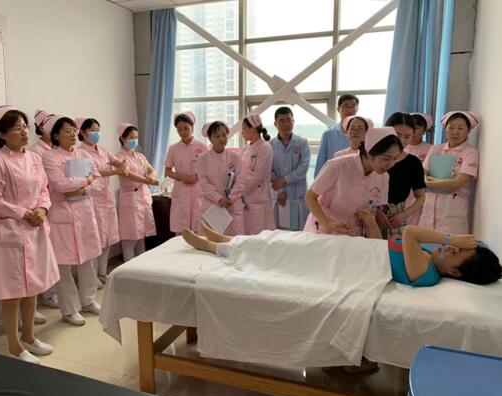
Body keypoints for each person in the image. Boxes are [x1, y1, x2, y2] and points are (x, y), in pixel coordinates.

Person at [182, 221, 501, 288]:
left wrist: (450, 236)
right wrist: (370, 224)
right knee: (281, 238)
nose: (451, 247)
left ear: (456, 272)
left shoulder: (427, 274)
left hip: (338, 261)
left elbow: (409, 233)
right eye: (456, 245)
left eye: (457, 253)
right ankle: (228, 238)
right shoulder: (430, 255)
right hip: (348, 249)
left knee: (280, 250)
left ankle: (214, 248)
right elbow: (387, 246)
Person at [0, 106, 59, 363]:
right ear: (2, 134)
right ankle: (14, 347)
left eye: (25, 126)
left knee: (32, 288)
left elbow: (44, 189)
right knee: (13, 292)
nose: (24, 132)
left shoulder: (34, 158)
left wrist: (42, 209)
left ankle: (29, 337)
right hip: (12, 233)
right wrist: (24, 213)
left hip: (35, 229)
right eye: (17, 128)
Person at [41, 115, 103, 326]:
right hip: (62, 216)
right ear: (56, 135)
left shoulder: (83, 154)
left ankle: (89, 301)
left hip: (84, 212)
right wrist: (85, 181)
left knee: (87, 261)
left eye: (74, 130)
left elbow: (98, 181)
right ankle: (69, 310)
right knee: (64, 265)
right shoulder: (50, 157)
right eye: (67, 131)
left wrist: (81, 188)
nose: (73, 134)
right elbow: (60, 185)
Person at [304, 127, 401, 236]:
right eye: (386, 159)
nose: (391, 164)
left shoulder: (383, 177)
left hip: (353, 232)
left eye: (395, 159)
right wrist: (327, 223)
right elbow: (310, 197)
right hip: (324, 229)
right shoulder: (338, 166)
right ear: (370, 154)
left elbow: (374, 207)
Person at [77, 117, 125, 282]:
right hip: (93, 199)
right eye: (92, 130)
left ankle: (102, 273)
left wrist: (122, 164)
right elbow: (92, 174)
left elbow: (117, 162)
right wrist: (114, 171)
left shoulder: (103, 151)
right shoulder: (81, 153)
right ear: (82, 132)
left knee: (108, 238)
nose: (96, 133)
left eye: (98, 130)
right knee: (95, 240)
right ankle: (93, 277)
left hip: (107, 198)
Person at [419, 111, 480, 234]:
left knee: (451, 243)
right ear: (445, 128)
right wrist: (440, 182)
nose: (455, 132)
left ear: (468, 130)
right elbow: (421, 175)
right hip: (429, 206)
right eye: (451, 127)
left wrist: (427, 182)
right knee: (425, 242)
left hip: (453, 208)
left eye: (460, 128)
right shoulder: (436, 149)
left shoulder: (470, 153)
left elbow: (455, 184)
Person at [28, 109, 58, 314]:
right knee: (37, 256)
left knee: (50, 253)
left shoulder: (57, 149)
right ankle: (43, 296)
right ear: (41, 128)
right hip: (39, 209)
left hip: (50, 205)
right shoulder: (35, 152)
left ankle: (50, 292)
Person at [379, 112, 426, 237]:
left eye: (407, 136)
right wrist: (377, 212)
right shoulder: (375, 158)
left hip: (396, 217)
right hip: (370, 213)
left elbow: (421, 197)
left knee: (394, 249)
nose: (401, 140)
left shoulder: (413, 163)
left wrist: (404, 214)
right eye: (397, 135)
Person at [117, 123, 159, 260]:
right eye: (131, 138)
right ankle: (128, 267)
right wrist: (147, 180)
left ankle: (140, 266)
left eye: (136, 137)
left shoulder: (140, 156)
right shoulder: (119, 157)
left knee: (141, 236)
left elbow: (151, 170)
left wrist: (152, 176)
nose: (134, 141)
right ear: (123, 138)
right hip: (130, 199)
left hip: (143, 198)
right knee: (130, 238)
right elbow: (128, 174)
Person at [228, 113, 275, 235]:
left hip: (258, 199)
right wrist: (235, 191)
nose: (242, 132)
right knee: (247, 233)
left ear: (253, 129)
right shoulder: (245, 149)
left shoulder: (265, 148)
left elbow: (256, 177)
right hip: (244, 200)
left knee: (260, 236)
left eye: (244, 128)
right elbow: (239, 173)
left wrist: (238, 193)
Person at [197, 121, 244, 235]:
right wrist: (219, 199)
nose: (221, 139)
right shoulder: (203, 159)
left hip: (231, 204)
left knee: (232, 240)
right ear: (210, 138)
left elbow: (240, 180)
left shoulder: (235, 157)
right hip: (211, 206)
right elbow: (204, 184)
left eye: (224, 135)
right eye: (217, 136)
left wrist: (231, 198)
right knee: (210, 240)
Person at [165, 112, 208, 234]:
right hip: (180, 192)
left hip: (198, 191)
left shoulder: (202, 147)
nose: (183, 132)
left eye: (186, 128)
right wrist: (182, 177)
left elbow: (209, 169)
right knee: (180, 232)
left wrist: (197, 176)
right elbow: (167, 171)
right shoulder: (173, 148)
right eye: (179, 129)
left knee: (198, 230)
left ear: (192, 127)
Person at [270, 106, 311, 231]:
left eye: (289, 120)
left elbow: (303, 168)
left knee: (302, 233)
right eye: (281, 121)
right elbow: (269, 171)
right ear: (275, 124)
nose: (286, 124)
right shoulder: (270, 145)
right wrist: (279, 191)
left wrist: (284, 180)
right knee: (283, 233)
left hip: (299, 196)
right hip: (282, 197)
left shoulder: (302, 142)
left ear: (293, 121)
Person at [314, 94, 359, 177]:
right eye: (346, 106)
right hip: (333, 179)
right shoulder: (328, 135)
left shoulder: (364, 134)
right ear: (338, 109)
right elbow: (320, 163)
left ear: (357, 109)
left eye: (353, 106)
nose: (350, 109)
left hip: (355, 179)